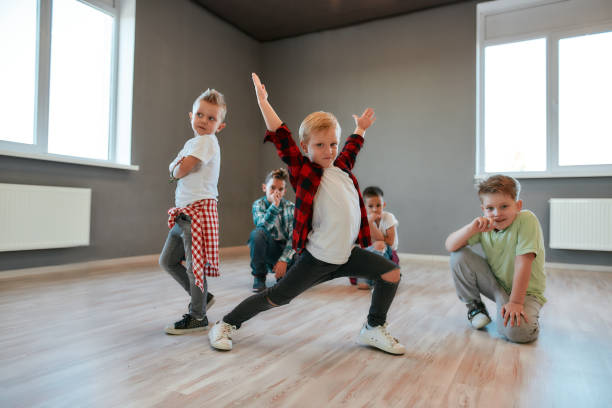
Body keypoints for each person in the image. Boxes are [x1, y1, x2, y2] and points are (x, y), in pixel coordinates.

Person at [207, 73, 405, 355]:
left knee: (391, 273)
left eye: (332, 144)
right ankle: (226, 323)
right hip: (317, 259)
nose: (329, 151)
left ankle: (373, 328)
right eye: (320, 145)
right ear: (305, 148)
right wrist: (264, 102)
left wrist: (360, 129)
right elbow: (281, 136)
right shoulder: (305, 172)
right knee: (277, 298)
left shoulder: (342, 168)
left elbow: (351, 146)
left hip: (346, 254)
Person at [445, 174, 546, 343]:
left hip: (526, 293)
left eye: (504, 206)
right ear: (483, 209)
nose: (497, 213)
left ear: (518, 205)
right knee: (459, 255)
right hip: (498, 286)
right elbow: (450, 245)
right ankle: (475, 308)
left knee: (517, 333)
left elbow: (524, 263)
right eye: (490, 208)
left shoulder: (527, 220)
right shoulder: (485, 226)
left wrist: (515, 302)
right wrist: (471, 228)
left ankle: (528, 318)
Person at [159, 89, 227, 335]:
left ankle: (198, 316)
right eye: (200, 115)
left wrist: (176, 165)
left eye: (212, 119)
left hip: (197, 212)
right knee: (167, 261)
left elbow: (178, 170)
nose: (204, 122)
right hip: (184, 213)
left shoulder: (206, 142)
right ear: (191, 115)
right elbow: (175, 169)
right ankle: (202, 297)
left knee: (194, 266)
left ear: (220, 126)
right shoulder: (194, 142)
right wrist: (176, 167)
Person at [249, 168, 296, 292]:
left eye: (280, 189)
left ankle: (284, 273)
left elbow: (293, 239)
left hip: (286, 251)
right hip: (269, 247)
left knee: (286, 283)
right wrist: (274, 207)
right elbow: (262, 226)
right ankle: (259, 277)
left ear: (285, 191)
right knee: (256, 234)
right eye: (273, 188)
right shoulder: (258, 204)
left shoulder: (291, 207)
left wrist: (284, 260)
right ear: (264, 188)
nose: (276, 192)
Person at [354, 186, 400, 290]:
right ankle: (366, 278)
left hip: (388, 253)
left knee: (379, 244)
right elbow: (362, 243)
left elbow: (390, 242)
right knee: (357, 250)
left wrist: (370, 223)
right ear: (364, 207)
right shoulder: (362, 219)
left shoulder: (388, 217)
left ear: (383, 205)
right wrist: (368, 222)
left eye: (378, 205)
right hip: (370, 254)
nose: (375, 209)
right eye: (370, 206)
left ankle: (376, 279)